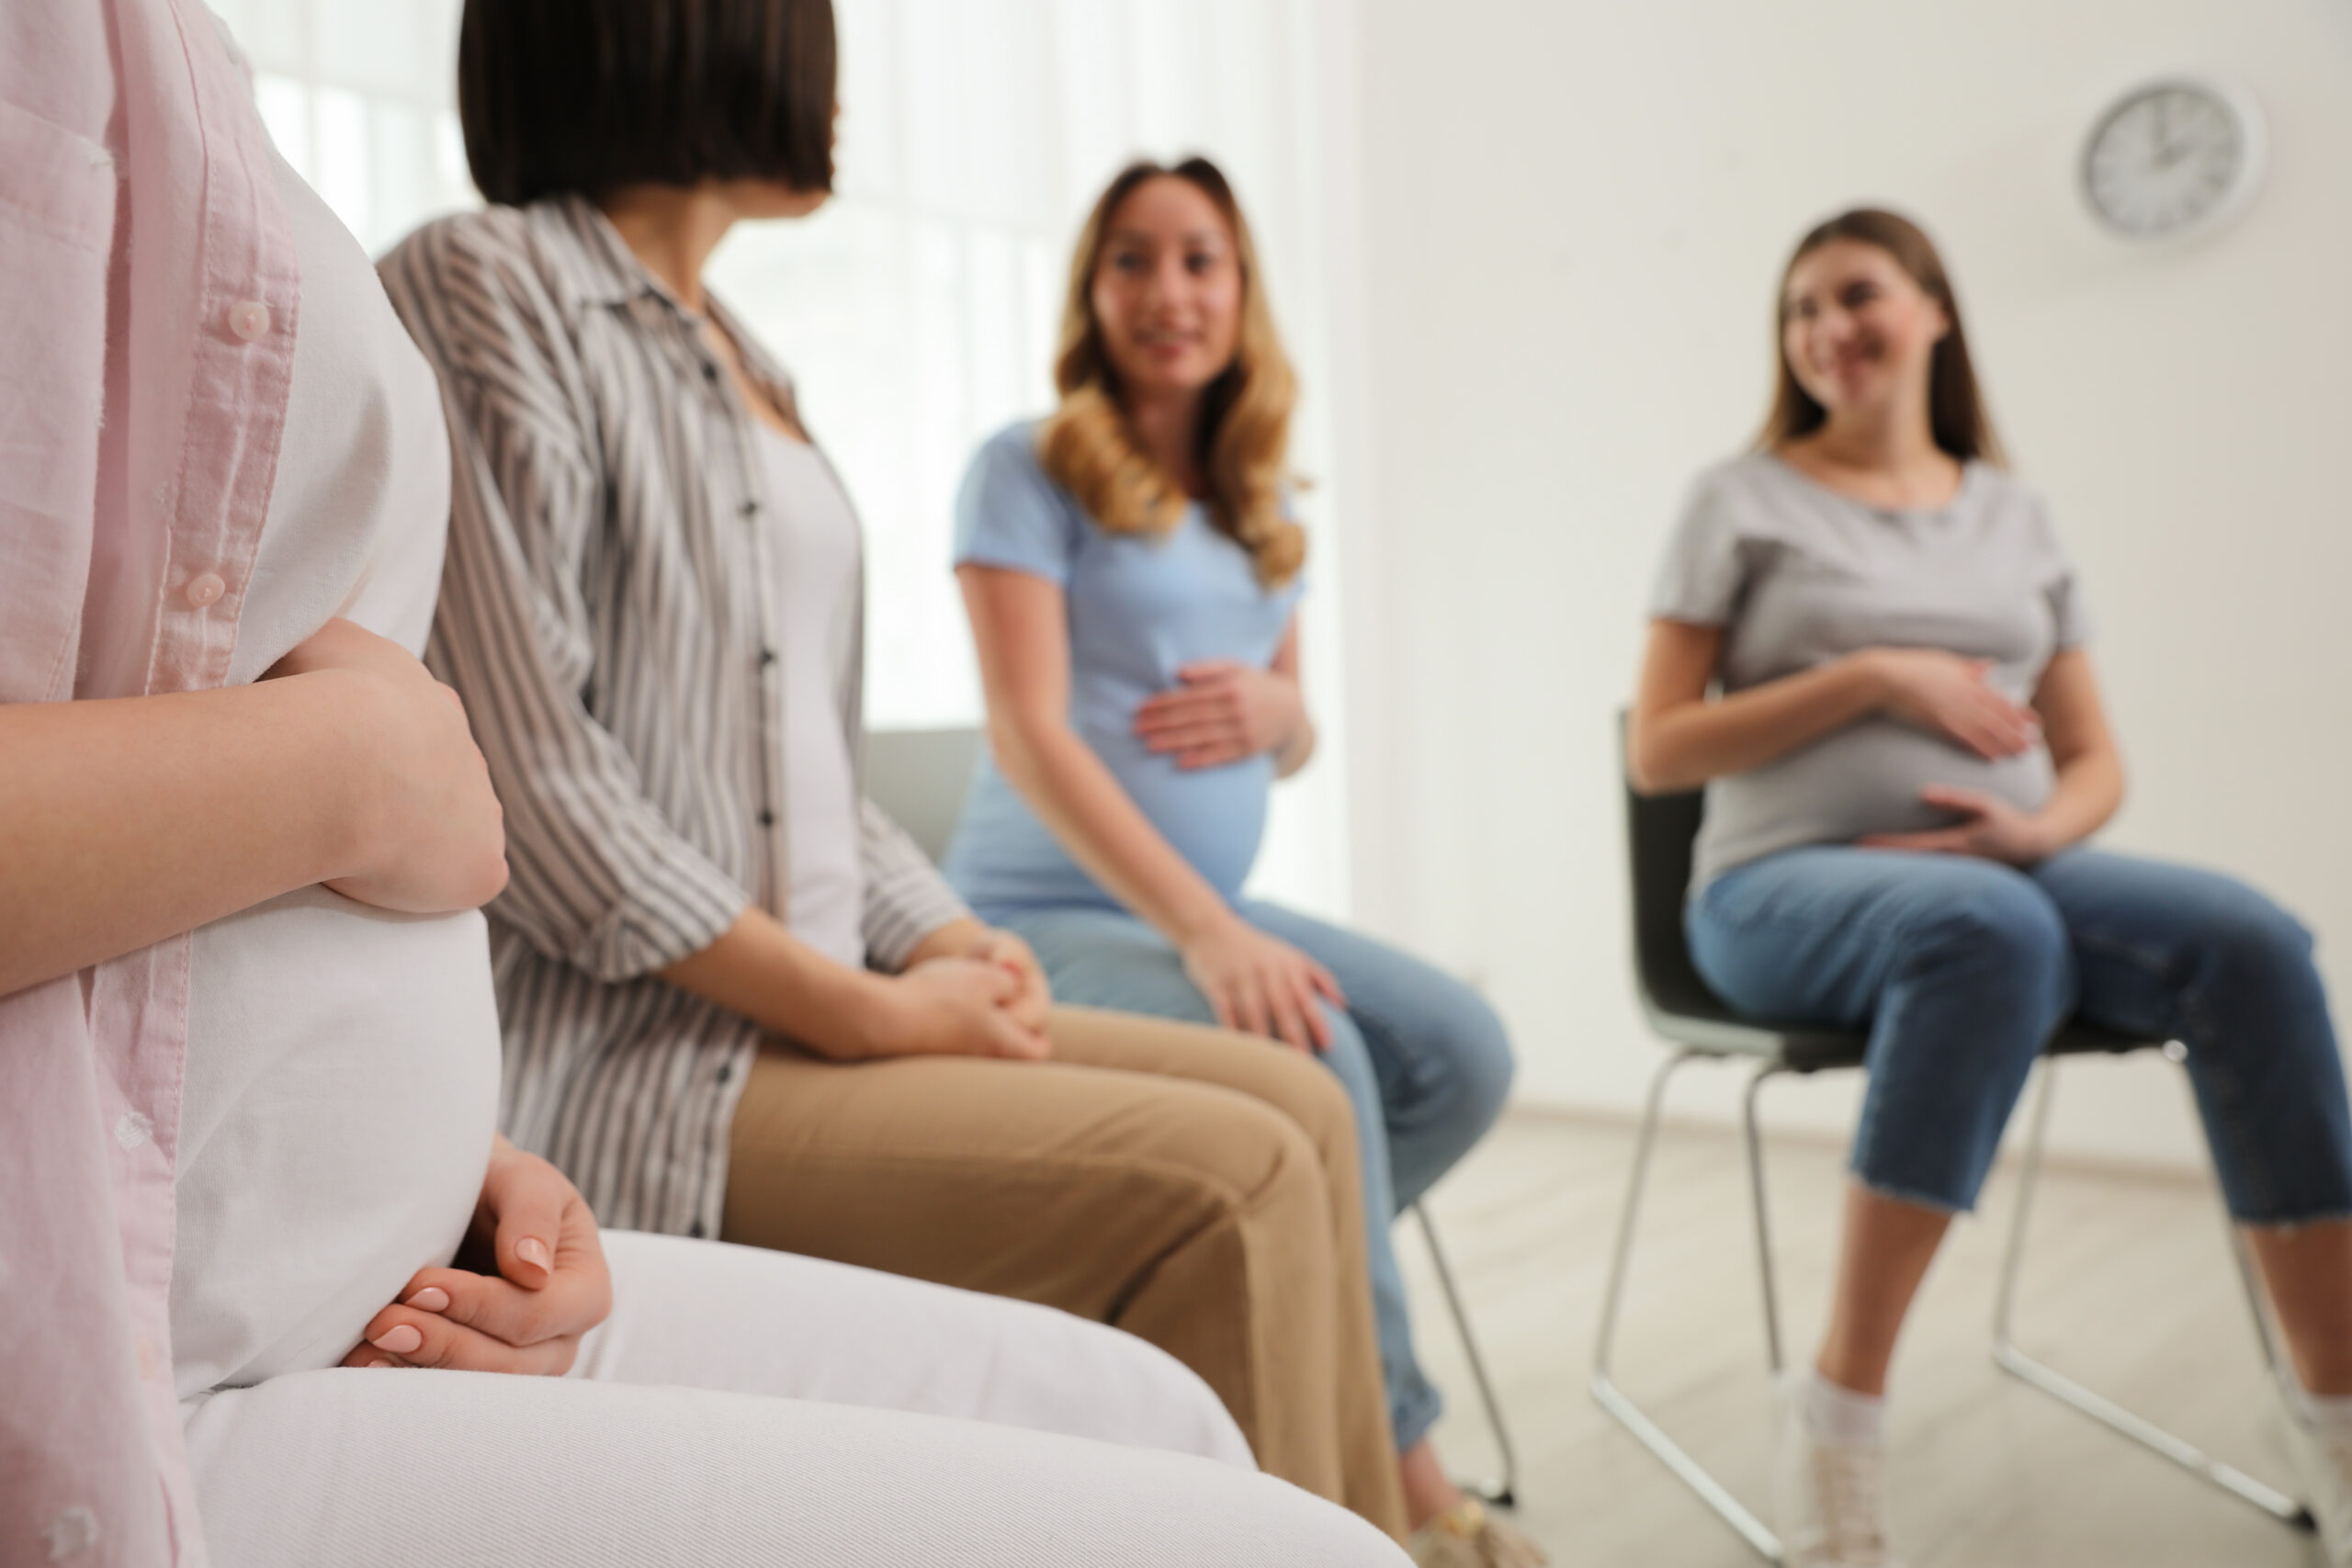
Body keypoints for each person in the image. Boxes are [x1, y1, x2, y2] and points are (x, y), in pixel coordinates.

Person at [0, 3, 1416, 1564]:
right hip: (674, 1046)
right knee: (1244, 1182)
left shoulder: (758, 365)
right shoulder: (487, 286)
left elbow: (809, 757)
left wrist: (935, 938)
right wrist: (864, 1008)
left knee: (1300, 1110)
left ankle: (1396, 1514)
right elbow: (539, 788)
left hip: (709, 1042)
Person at [1628, 206, 2352, 1568]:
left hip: (2014, 869)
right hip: (1777, 893)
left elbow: (2093, 759)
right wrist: (1874, 675)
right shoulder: (1739, 497)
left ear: (1933, 311)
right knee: (1989, 935)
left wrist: (2034, 836)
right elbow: (1662, 747)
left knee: (2253, 943)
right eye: (1800, 311)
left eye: (1856, 295)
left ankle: (2332, 1413)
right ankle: (1835, 1409)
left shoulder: (2016, 512)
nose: (1828, 329)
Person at [942, 155, 1533, 1568]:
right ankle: (1412, 1485)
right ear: (1093, 289)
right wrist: (1209, 934)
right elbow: (1029, 735)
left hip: (1206, 908)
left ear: (1243, 289)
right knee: (1316, 1050)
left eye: (1201, 259)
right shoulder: (1029, 468)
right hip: (1041, 912)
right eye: (1133, 259)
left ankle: (1265, 1293)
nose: (1169, 291)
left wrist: (1293, 717)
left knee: (1462, 1052)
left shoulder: (1261, 501)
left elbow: (1291, 727)